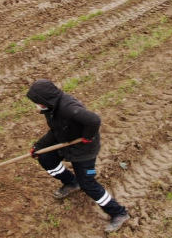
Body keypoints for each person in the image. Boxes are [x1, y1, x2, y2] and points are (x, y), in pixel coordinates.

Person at [26, 79, 130, 233]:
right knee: (46, 158)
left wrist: (88, 136)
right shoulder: (51, 108)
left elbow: (94, 120)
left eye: (38, 102)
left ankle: (119, 213)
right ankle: (72, 183)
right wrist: (39, 146)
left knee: (88, 183)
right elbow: (56, 131)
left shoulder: (68, 107)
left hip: (84, 149)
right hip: (67, 142)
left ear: (46, 100)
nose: (38, 105)